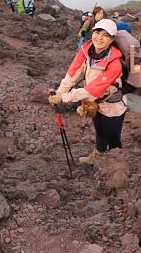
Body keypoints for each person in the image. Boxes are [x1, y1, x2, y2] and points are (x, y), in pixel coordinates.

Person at [49, 18, 127, 165]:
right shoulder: (86, 50)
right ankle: (98, 155)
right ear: (92, 32)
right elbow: (72, 74)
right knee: (99, 130)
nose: (100, 38)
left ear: (112, 39)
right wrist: (59, 92)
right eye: (97, 32)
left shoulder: (115, 63)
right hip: (94, 103)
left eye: (106, 35)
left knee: (113, 137)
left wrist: (64, 97)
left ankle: (116, 165)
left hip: (112, 105)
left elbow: (93, 90)